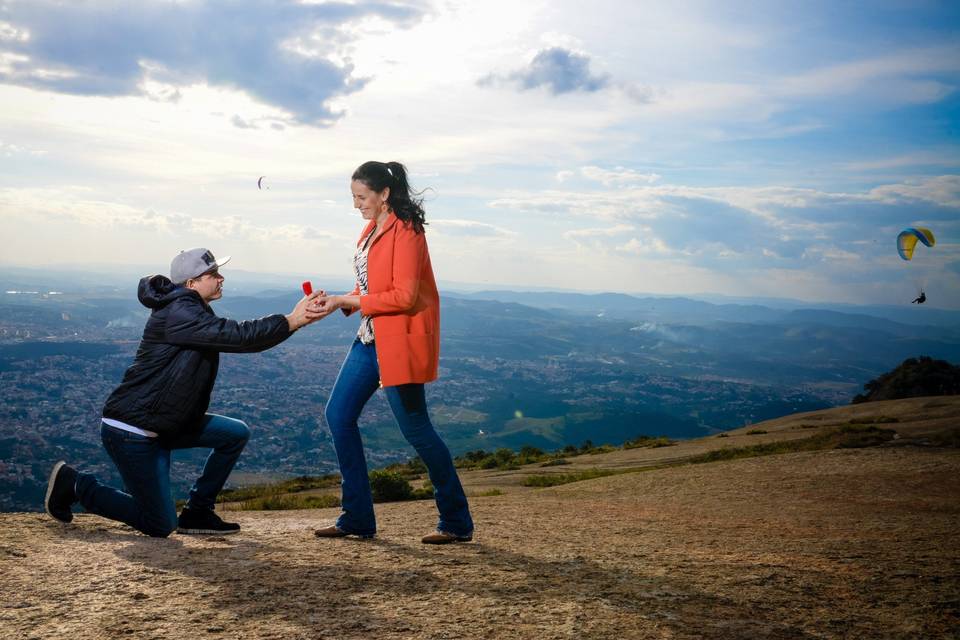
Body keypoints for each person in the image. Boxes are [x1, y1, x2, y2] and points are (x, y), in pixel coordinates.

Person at [44, 248, 326, 537]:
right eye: (213, 274)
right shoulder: (181, 312)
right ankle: (77, 485)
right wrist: (292, 320)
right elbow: (239, 337)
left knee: (234, 433)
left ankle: (198, 512)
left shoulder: (190, 308)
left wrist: (294, 321)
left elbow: (239, 338)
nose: (221, 278)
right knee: (160, 524)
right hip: (133, 430)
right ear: (191, 284)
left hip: (164, 423)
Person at [312, 161, 474, 544]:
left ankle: (455, 521)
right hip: (369, 339)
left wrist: (345, 301)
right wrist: (340, 301)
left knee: (417, 431)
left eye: (361, 197)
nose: (356, 205)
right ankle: (356, 518)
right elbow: (369, 284)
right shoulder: (370, 229)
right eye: (353, 197)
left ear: (384, 194)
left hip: (398, 342)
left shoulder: (408, 231)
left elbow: (404, 296)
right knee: (338, 415)